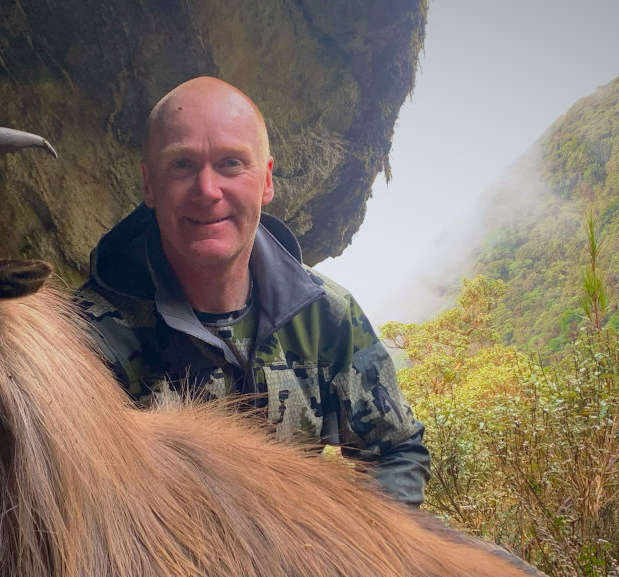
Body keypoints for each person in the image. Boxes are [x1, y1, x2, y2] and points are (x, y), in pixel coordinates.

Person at [72, 76, 430, 506]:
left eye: (230, 163)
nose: (207, 190)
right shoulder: (85, 342)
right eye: (182, 164)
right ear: (149, 184)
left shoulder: (324, 314)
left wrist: (354, 553)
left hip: (305, 557)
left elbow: (398, 451)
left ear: (266, 179)